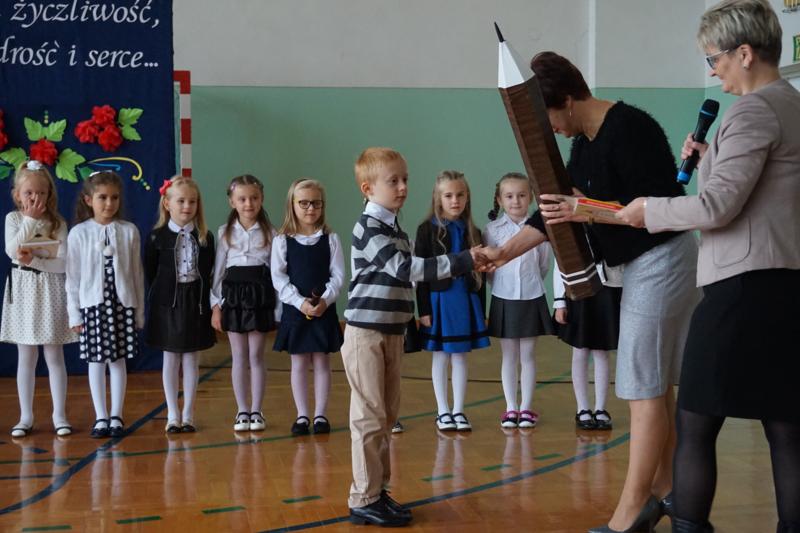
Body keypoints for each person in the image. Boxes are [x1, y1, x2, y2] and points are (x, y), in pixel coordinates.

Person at [481, 51, 700, 532]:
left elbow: (655, 208)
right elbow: (554, 211)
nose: (553, 131)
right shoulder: (583, 143)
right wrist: (502, 254)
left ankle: (632, 510)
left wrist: (585, 209)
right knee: (654, 384)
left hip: (663, 259)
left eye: (550, 119)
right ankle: (669, 490)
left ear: (566, 99)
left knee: (641, 386)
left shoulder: (631, 128)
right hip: (638, 265)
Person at [615, 2, 800, 531]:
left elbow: (718, 208)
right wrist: (708, 159)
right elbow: (758, 199)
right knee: (786, 427)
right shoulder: (792, 104)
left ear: (745, 53)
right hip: (785, 283)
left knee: (695, 420)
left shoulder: (752, 112)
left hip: (742, 288)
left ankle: (690, 525)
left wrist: (648, 211)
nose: (713, 69)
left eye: (715, 58)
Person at [342, 147, 483, 527]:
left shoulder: (393, 227)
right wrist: (465, 259)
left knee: (386, 416)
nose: (403, 187)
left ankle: (378, 491)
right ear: (368, 188)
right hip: (366, 334)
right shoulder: (368, 227)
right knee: (369, 416)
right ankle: (363, 497)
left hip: (391, 332)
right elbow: (405, 269)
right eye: (394, 181)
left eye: (405, 179)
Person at [1, 160, 77, 437]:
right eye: (29, 193)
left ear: (49, 194)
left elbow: (63, 262)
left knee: (54, 355)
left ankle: (60, 415)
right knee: (26, 356)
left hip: (50, 290)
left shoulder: (58, 223)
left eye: (41, 193)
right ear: (17, 195)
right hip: (23, 291)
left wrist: (34, 260)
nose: (35, 198)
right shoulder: (14, 219)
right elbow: (12, 250)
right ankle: (26, 416)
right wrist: (30, 221)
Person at [66, 170, 144, 439]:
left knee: (118, 360)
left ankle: (116, 415)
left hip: (122, 306)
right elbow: (73, 278)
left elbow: (136, 274)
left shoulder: (129, 231)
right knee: (97, 362)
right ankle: (101, 416)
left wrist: (139, 312)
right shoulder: (79, 233)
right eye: (102, 197)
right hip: (93, 307)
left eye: (114, 197)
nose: (109, 203)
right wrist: (74, 314)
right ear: (89, 200)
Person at [416, 170, 489, 433]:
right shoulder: (426, 230)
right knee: (441, 356)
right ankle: (442, 410)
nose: (455, 200)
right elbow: (420, 274)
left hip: (465, 300)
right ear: (438, 198)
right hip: (439, 301)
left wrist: (481, 310)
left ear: (467, 197)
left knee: (460, 356)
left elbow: (481, 276)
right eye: (448, 195)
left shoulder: (474, 232)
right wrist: (424, 309)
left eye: (460, 195)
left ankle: (458, 409)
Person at [271, 178, 344, 436]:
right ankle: (302, 415)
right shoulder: (282, 240)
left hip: (323, 308)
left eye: (316, 203)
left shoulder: (330, 239)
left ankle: (320, 414)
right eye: (303, 203)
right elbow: (278, 278)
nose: (310, 208)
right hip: (296, 310)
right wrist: (299, 302)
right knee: (299, 363)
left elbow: (338, 276)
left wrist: (325, 300)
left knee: (322, 362)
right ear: (292, 205)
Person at [145, 176, 215, 433]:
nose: (187, 206)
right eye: (181, 201)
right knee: (171, 358)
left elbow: (208, 270)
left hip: (195, 302)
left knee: (191, 359)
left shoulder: (205, 237)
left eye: (192, 201)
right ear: (167, 204)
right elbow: (150, 271)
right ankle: (172, 414)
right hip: (168, 304)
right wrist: (163, 295)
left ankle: (188, 414)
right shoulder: (156, 237)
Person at [483, 172, 554, 430]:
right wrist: (504, 286)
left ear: (531, 197)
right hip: (504, 298)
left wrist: (528, 283)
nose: (516, 201)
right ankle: (511, 407)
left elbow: (543, 265)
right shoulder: (491, 230)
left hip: (532, 296)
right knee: (509, 356)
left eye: (522, 195)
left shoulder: (539, 229)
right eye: (510, 196)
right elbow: (490, 269)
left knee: (528, 355)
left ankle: (526, 408)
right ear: (500, 200)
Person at [210, 174, 277, 433]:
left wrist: (278, 308)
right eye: (242, 199)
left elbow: (276, 272)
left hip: (259, 297)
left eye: (254, 198)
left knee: (256, 355)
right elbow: (218, 273)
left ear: (262, 199)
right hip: (233, 298)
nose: (248, 204)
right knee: (238, 355)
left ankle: (257, 410)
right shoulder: (224, 232)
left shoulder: (271, 233)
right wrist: (216, 305)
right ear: (232, 201)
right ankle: (242, 410)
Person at [552, 258, 621, 431]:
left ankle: (601, 408)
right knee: (580, 351)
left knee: (601, 351)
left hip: (608, 289)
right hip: (579, 289)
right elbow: (560, 263)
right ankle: (582, 408)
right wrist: (559, 301)